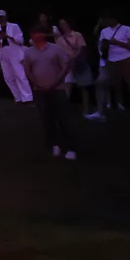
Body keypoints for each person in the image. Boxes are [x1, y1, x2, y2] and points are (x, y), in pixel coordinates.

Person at [23, 24, 77, 160]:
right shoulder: (29, 52)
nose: (36, 36)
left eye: (38, 33)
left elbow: (65, 67)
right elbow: (27, 70)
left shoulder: (55, 49)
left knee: (63, 118)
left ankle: (70, 148)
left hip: (57, 89)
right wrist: (37, 84)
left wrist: (55, 83)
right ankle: (55, 145)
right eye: (33, 34)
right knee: (47, 119)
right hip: (39, 91)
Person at [98, 10, 130, 129]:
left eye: (108, 18)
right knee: (101, 83)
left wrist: (117, 43)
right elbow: (102, 50)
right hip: (111, 61)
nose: (106, 21)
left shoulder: (127, 29)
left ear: (114, 19)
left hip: (126, 60)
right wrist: (104, 46)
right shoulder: (104, 31)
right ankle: (100, 113)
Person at [56, 17, 97, 119]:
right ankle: (63, 112)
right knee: (67, 87)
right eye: (61, 24)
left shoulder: (77, 35)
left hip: (79, 63)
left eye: (64, 23)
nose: (63, 26)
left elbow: (81, 47)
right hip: (67, 65)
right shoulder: (60, 39)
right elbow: (58, 53)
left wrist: (74, 57)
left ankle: (86, 111)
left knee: (84, 87)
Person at [0, 10, 31, 103]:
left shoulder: (14, 26)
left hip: (14, 51)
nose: (1, 19)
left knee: (20, 75)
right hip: (3, 52)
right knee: (8, 77)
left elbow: (20, 40)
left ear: (6, 17)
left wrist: (8, 37)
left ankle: (27, 97)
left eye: (2, 17)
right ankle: (18, 97)